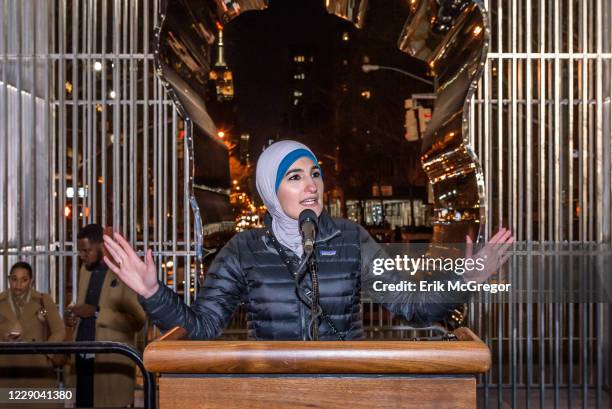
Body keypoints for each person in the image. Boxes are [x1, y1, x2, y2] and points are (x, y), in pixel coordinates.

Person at [103, 140, 514, 340]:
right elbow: (202, 328)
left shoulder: (352, 239)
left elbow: (413, 307)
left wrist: (466, 279)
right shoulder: (243, 250)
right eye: (294, 176)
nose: (311, 185)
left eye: (315, 173)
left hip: (345, 390)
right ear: (270, 190)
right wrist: (154, 292)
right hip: (271, 393)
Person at [66, 224, 146, 408]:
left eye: (86, 250)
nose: (82, 255)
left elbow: (138, 320)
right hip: (82, 358)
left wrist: (97, 313)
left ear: (102, 246)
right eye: (79, 251)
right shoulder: (85, 270)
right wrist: (74, 318)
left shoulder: (125, 272)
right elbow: (83, 306)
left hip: (110, 362)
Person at [0, 261, 66, 388]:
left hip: (37, 368)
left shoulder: (43, 301)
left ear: (31, 281)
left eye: (24, 280)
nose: (18, 285)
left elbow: (59, 330)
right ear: (9, 279)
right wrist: (3, 338)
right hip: (5, 368)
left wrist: (46, 354)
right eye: (14, 279)